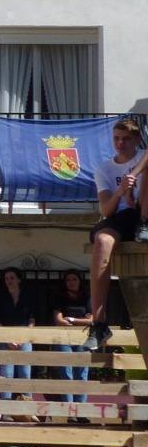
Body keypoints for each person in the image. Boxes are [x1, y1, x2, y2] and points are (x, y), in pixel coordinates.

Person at [84, 118, 145, 351]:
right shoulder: (105, 170)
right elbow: (106, 210)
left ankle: (145, 224)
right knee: (101, 240)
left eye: (126, 139)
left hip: (143, 212)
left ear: (137, 140)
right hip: (122, 217)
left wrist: (134, 176)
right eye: (117, 138)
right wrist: (121, 191)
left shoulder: (143, 157)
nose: (120, 143)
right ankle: (99, 323)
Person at [52, 269, 92, 409]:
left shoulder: (87, 297)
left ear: (80, 281)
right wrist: (80, 320)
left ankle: (81, 408)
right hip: (64, 337)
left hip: (83, 337)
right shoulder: (59, 297)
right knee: (66, 371)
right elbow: (58, 320)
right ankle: (69, 408)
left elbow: (91, 320)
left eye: (74, 279)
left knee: (82, 372)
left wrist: (72, 319)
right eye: (68, 280)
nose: (71, 282)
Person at [0, 267, 36, 384]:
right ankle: (6, 401)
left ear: (19, 280)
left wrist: (25, 338)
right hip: (5, 337)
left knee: (25, 373)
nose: (9, 281)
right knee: (7, 373)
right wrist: (7, 339)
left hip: (25, 336)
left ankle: (26, 400)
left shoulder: (28, 296)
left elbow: (32, 319)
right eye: (6, 278)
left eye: (12, 278)